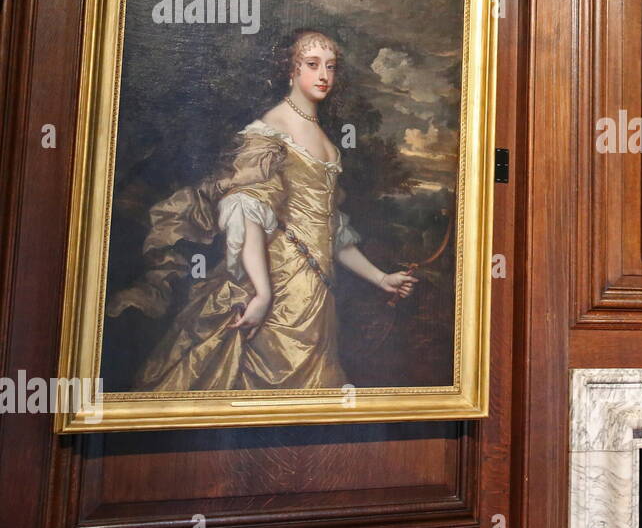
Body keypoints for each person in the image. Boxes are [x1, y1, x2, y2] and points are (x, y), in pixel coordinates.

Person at [109, 30, 417, 391]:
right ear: (290, 68)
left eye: (330, 67)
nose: (323, 76)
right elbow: (246, 212)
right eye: (312, 65)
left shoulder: (324, 137)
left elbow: (329, 229)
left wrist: (381, 278)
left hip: (316, 289)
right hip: (274, 280)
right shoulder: (271, 131)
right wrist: (262, 292)